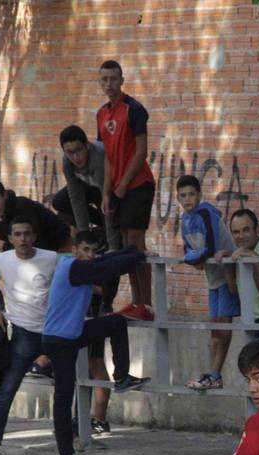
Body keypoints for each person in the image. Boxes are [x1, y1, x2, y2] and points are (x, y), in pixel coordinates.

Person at [41, 229, 149, 455]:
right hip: (58, 340)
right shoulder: (73, 267)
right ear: (75, 249)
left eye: (93, 251)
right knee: (64, 396)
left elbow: (105, 261)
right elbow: (106, 268)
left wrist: (131, 251)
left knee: (117, 322)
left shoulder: (82, 264)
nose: (89, 255)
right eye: (85, 250)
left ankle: (122, 377)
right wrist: (136, 259)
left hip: (75, 333)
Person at [0, 218, 58, 455]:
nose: (22, 238)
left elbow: (73, 275)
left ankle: (69, 445)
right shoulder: (2, 260)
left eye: (27, 234)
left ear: (34, 237)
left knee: (67, 386)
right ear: (10, 238)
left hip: (53, 331)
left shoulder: (51, 258)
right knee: (8, 388)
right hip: (23, 333)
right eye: (17, 234)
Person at [95, 59, 156, 320]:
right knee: (124, 248)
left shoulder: (134, 109)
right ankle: (136, 301)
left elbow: (141, 151)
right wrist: (107, 192)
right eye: (104, 79)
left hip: (138, 184)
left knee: (136, 243)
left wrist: (123, 184)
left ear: (122, 80)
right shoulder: (101, 114)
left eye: (113, 79)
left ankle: (148, 305)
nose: (109, 84)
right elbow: (107, 156)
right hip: (117, 188)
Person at [176, 174, 238, 391]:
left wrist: (196, 258)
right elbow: (187, 250)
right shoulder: (185, 220)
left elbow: (208, 249)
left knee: (223, 325)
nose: (187, 199)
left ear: (199, 194)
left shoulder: (205, 213)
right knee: (214, 328)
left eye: (191, 194)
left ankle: (216, 373)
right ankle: (213, 373)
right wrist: (196, 258)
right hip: (212, 278)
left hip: (227, 275)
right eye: (183, 196)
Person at [53, 125, 120, 249]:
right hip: (89, 186)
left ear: (87, 145)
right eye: (69, 152)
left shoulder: (98, 157)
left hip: (110, 188)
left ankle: (107, 234)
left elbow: (108, 201)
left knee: (107, 212)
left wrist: (113, 248)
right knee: (59, 201)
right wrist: (84, 235)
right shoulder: (67, 162)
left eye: (79, 150)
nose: (75, 157)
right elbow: (75, 197)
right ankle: (96, 230)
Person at [0, 177, 69, 253]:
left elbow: (33, 243)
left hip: (63, 245)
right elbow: (7, 240)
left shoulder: (22, 206)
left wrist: (5, 247)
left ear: (5, 195)